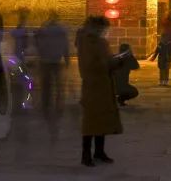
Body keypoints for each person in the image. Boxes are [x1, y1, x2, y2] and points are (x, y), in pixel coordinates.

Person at [76, 15, 121, 166]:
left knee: (99, 120)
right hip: (96, 85)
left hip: (98, 85)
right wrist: (115, 62)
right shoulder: (93, 43)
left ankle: (98, 152)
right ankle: (87, 155)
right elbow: (96, 63)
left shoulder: (87, 41)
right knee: (91, 122)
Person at [35, 13, 70, 127]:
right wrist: (67, 59)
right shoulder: (62, 30)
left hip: (45, 61)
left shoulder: (43, 29)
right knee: (59, 86)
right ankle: (59, 106)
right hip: (57, 61)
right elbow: (65, 46)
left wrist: (40, 55)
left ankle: (45, 105)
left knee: (46, 85)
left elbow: (38, 43)